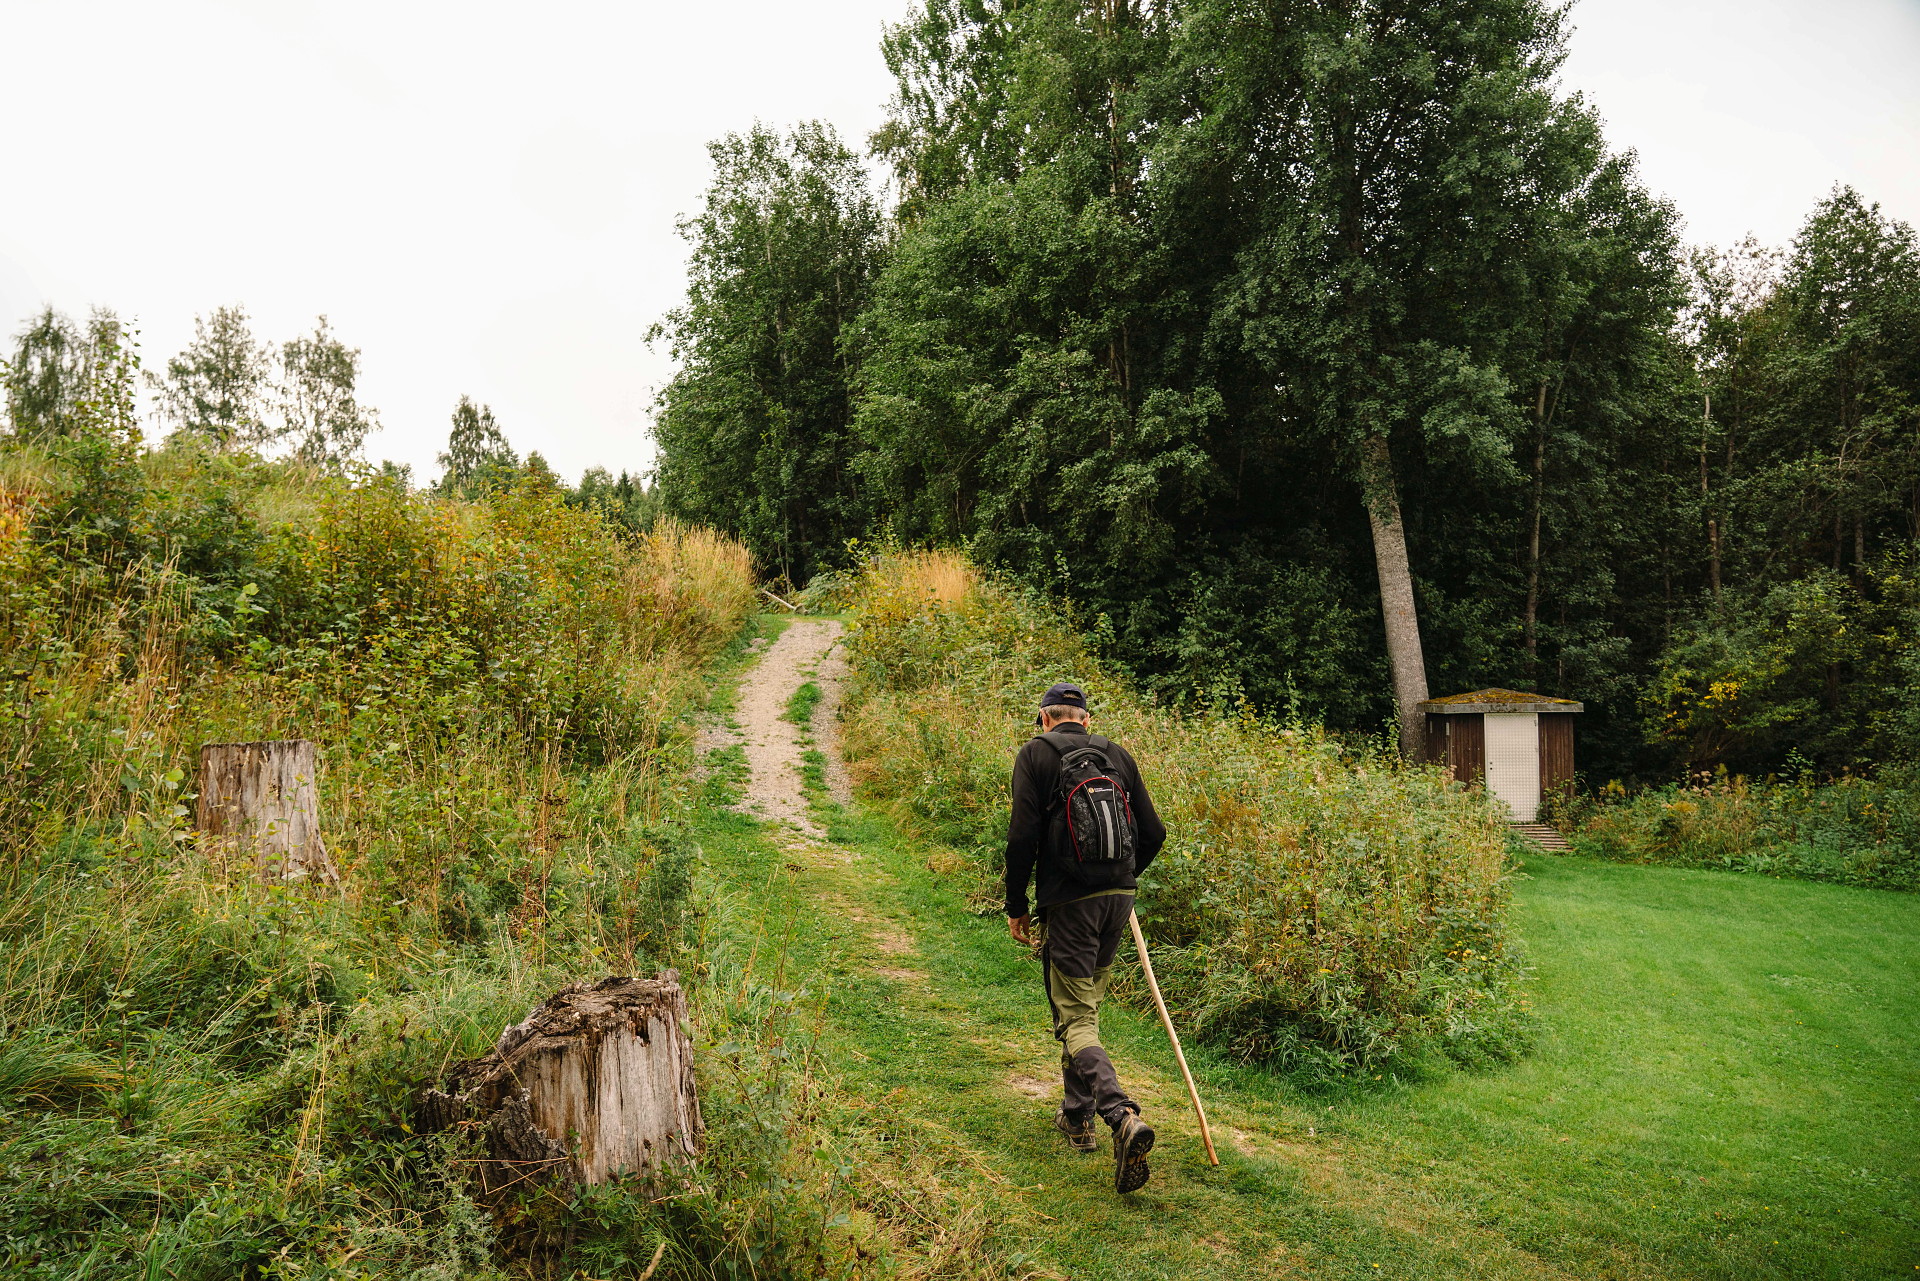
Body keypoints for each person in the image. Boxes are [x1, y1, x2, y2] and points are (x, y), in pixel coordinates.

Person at [1006, 681, 1167, 1194]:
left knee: (1075, 1017)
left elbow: (1022, 838)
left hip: (1068, 903)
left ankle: (1120, 1116)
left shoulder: (1035, 755)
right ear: (1085, 719)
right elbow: (1154, 833)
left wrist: (1017, 905)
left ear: (1044, 717)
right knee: (1086, 1008)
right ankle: (1076, 1119)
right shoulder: (1117, 754)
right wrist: (1121, 875)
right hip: (1119, 899)